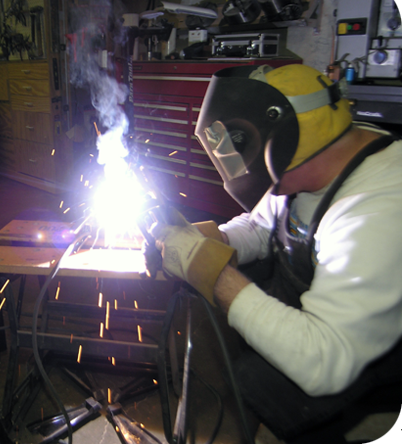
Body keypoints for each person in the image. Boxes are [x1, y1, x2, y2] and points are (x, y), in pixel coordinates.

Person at [149, 64, 402, 443]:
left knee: (258, 377)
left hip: (364, 355)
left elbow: (324, 359)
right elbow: (259, 225)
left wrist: (211, 270)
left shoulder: (376, 207)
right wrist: (212, 240)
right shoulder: (302, 163)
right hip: (313, 310)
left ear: (283, 139)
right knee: (201, 306)